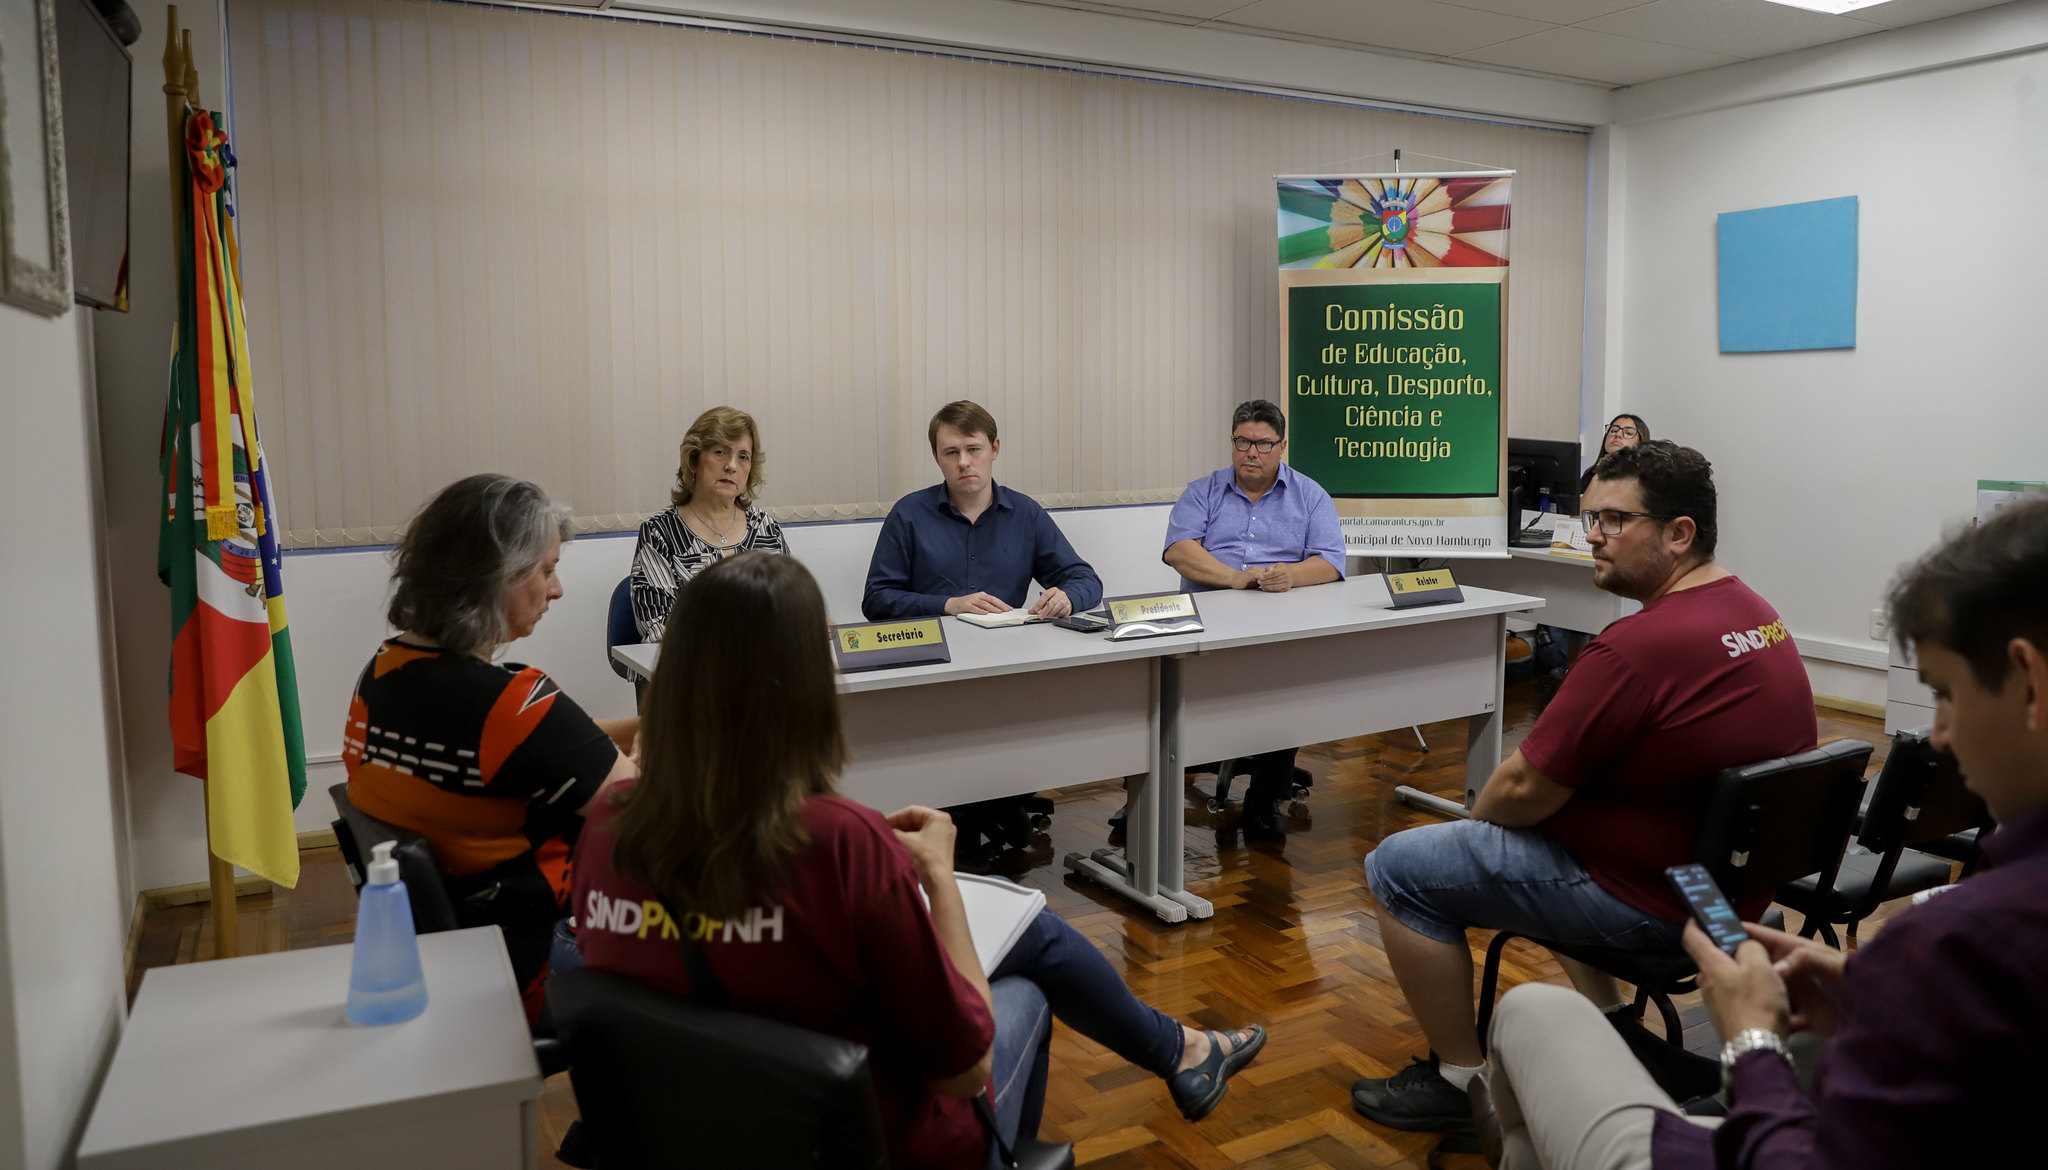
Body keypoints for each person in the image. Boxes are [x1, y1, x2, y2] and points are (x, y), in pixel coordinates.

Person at [571, 553, 1265, 1168]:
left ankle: (1183, 1052)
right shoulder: (840, 840)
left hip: (688, 1132)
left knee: (1030, 933)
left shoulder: (606, 822)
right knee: (1025, 984)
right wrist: (937, 874)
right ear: (809, 681)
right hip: (863, 1141)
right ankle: (1177, 1055)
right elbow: (964, 1069)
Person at [1477, 495, 2048, 1169]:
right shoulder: (1976, 941)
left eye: (1946, 694)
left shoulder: (1970, 939)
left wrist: (1751, 1043)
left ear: (2030, 683)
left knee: (1530, 1015)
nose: (1940, 734)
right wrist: (1874, 992)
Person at [1351, 441, 1815, 1134]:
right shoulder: (1755, 612)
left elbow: (1517, 787)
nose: (1589, 536)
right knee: (1545, 829)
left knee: (1397, 869)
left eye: (1612, 521)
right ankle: (1613, 1031)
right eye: (1587, 517)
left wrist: (1484, 828)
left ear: (1679, 534)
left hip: (1662, 904)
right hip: (1724, 895)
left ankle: (1457, 1078)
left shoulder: (1635, 649)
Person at [342, 474, 636, 1021]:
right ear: (492, 576)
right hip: (532, 959)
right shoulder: (516, 706)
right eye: (547, 570)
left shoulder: (381, 675)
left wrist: (643, 726)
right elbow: (652, 814)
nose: (557, 589)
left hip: (454, 951)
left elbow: (559, 744)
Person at [1161, 398, 1344, 839]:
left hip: (1280, 623)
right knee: (1161, 691)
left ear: (1282, 446)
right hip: (1207, 621)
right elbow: (1179, 550)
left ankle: (1266, 797)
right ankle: (1149, 798)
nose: (1252, 453)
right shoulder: (1203, 491)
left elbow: (1333, 562)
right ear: (1232, 443)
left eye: (1263, 444)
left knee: (1283, 689)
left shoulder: (1310, 494)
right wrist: (1234, 578)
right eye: (1243, 442)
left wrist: (1291, 575)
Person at [861, 400, 1102, 622]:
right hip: (934, 650)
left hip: (1006, 649)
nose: (964, 462)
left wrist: (1067, 598)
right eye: (952, 452)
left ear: (994, 449)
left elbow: (1086, 581)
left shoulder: (1025, 514)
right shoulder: (908, 514)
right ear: (936, 456)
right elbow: (876, 600)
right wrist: (948, 605)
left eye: (973, 449)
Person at [632, 406, 788, 642]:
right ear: (694, 461)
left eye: (743, 457)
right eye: (720, 452)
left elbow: (791, 607)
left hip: (763, 667)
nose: (731, 466)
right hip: (691, 670)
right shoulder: (660, 533)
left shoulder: (766, 528)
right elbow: (659, 629)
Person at [1578, 414, 1650, 494]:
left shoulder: (1642, 480)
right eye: (1613, 431)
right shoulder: (1591, 474)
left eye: (1628, 433)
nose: (1617, 435)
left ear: (1640, 443)